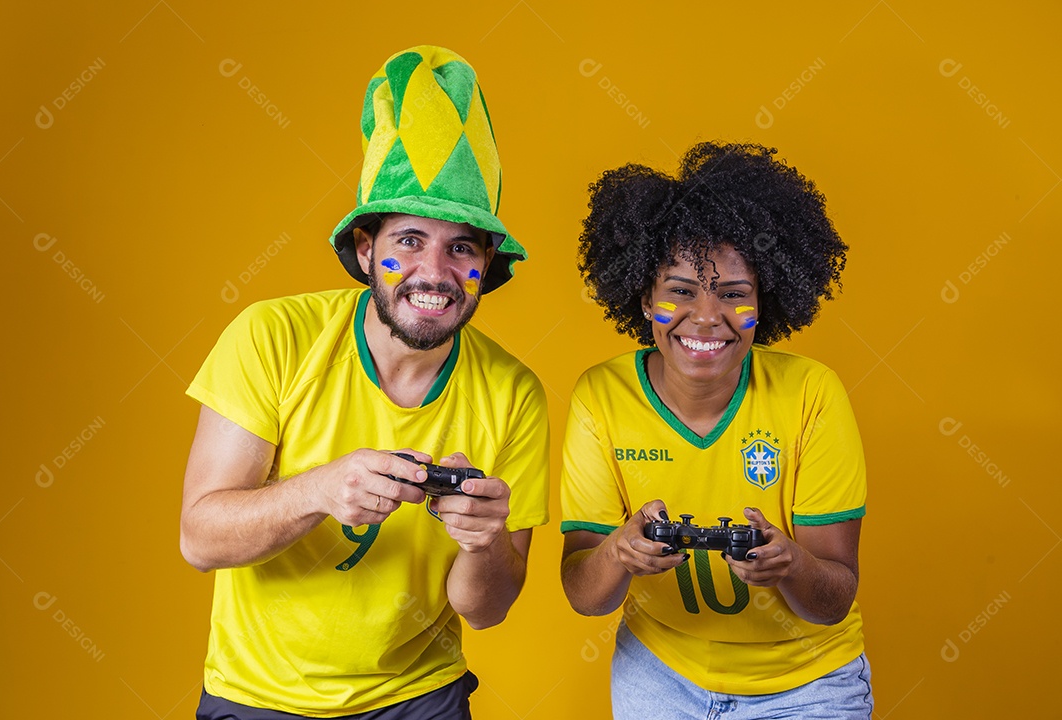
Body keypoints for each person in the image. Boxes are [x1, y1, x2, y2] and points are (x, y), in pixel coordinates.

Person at [180, 46, 549, 719]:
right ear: (364, 249)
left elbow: (487, 608)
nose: (433, 271)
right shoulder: (271, 336)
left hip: (420, 698)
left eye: (461, 247)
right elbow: (200, 540)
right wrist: (318, 490)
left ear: (486, 264)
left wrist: (483, 539)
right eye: (409, 239)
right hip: (258, 698)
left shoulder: (514, 392)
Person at [559, 141, 872, 718]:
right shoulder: (600, 397)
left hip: (805, 684)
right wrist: (619, 553)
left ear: (765, 301)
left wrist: (791, 565)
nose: (706, 317)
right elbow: (585, 595)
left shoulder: (811, 393)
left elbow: (832, 601)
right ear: (644, 296)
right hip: (658, 674)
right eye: (680, 290)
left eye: (733, 294)